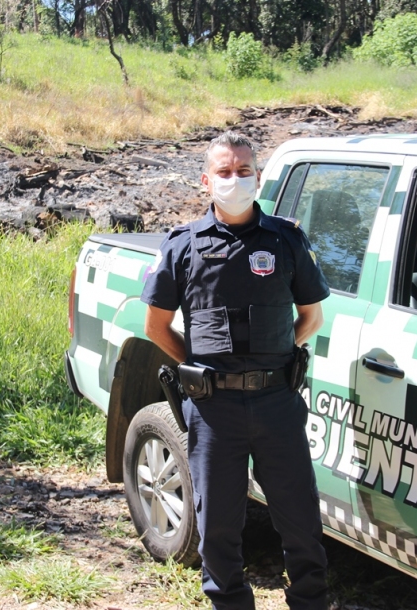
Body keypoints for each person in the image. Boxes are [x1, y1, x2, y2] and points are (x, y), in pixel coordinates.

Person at [141, 131, 329, 610]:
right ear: (207, 180)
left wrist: (275, 356)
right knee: (219, 529)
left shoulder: (286, 240)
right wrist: (198, 367)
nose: (235, 179)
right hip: (213, 408)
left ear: (259, 178)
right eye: (224, 172)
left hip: (276, 404)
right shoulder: (183, 245)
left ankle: (309, 601)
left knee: (301, 522)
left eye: (244, 171)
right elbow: (156, 326)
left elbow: (310, 317)